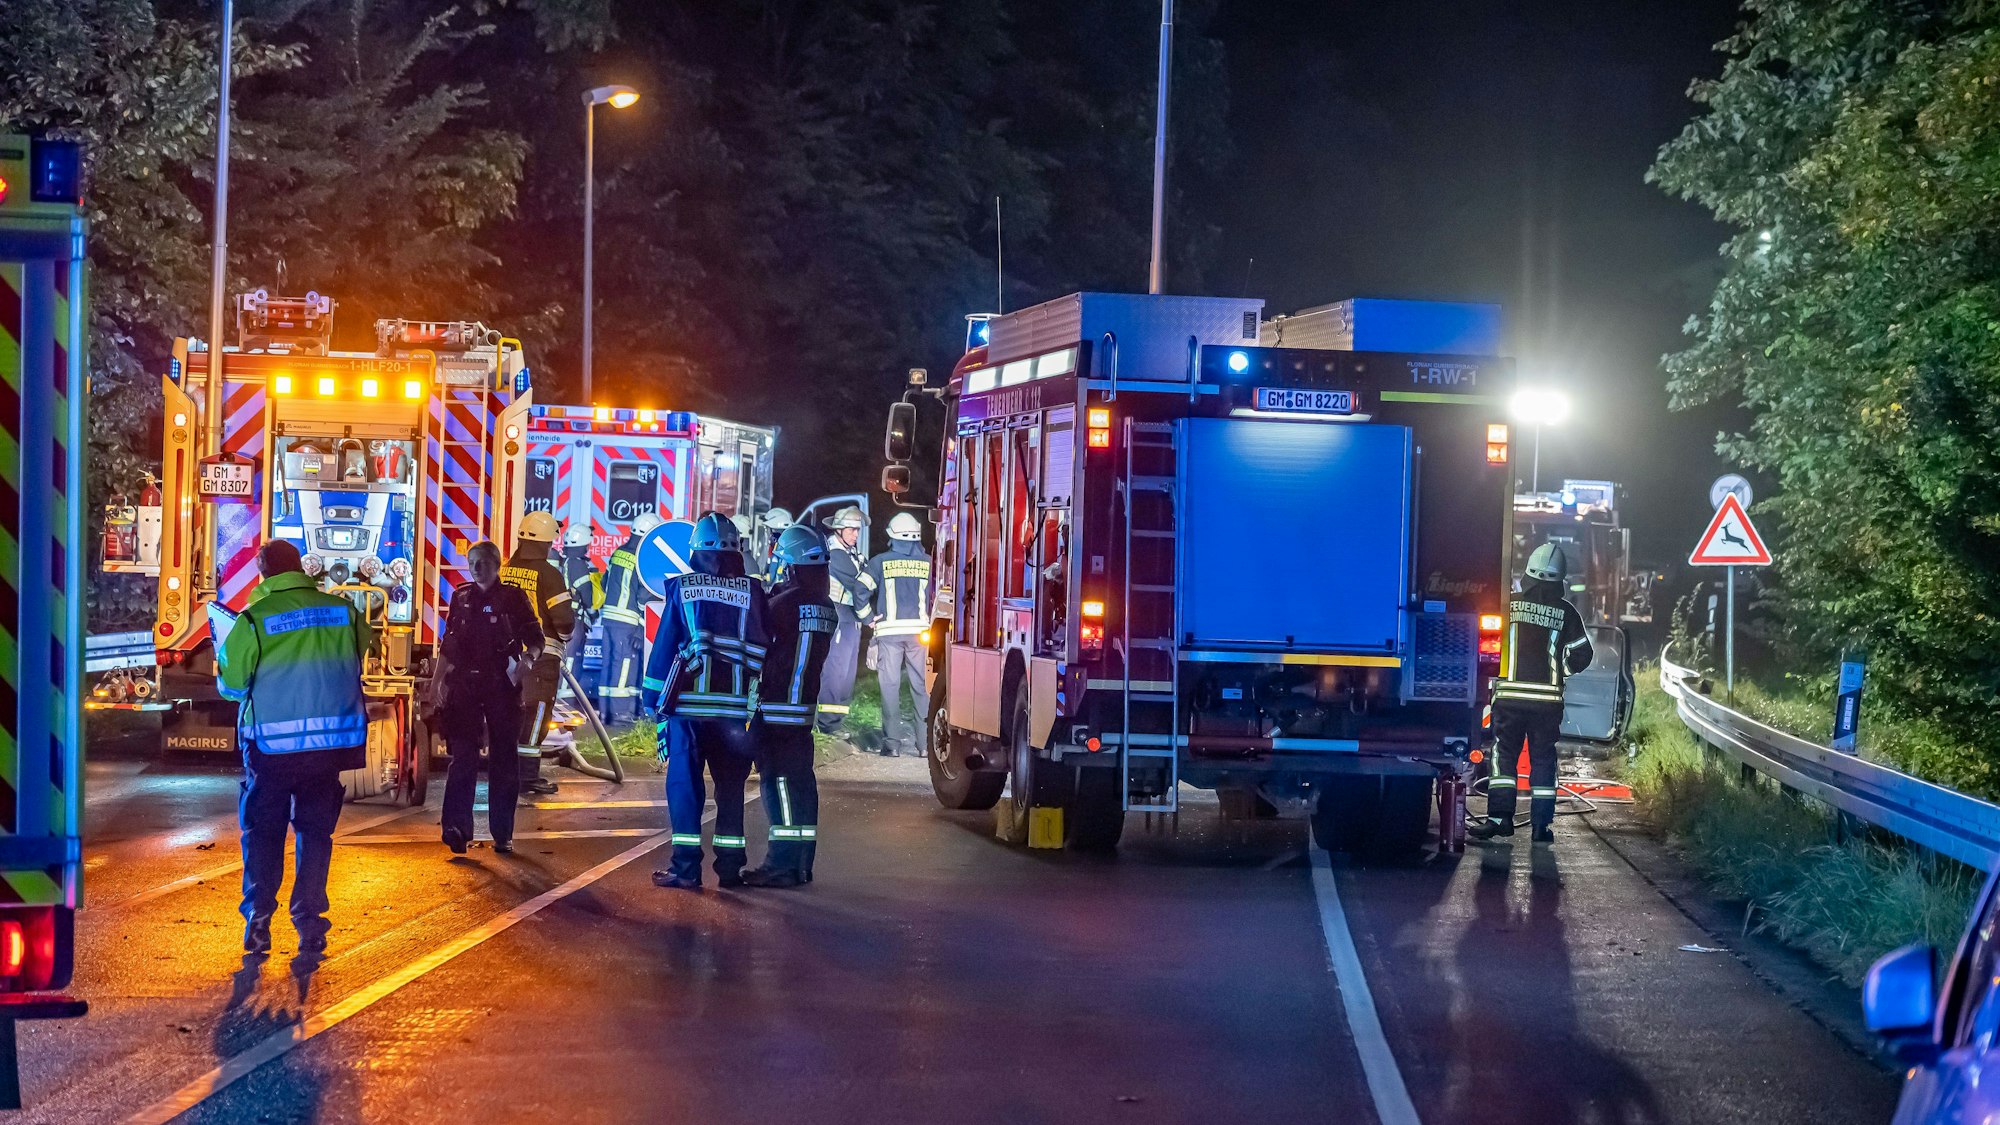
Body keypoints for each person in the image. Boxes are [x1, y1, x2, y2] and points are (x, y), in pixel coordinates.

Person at [215, 540, 373, 956]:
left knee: (264, 832)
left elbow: (232, 685)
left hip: (271, 749)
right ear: (300, 568)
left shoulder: (253, 620)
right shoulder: (343, 612)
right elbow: (360, 652)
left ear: (263, 572)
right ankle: (309, 920)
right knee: (315, 832)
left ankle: (260, 916)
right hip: (329, 748)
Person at [642, 513, 771, 890]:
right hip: (733, 712)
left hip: (688, 712)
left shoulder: (684, 588)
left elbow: (666, 644)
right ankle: (730, 869)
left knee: (685, 788)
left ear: (695, 551)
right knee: (730, 790)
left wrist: (653, 699)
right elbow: (765, 646)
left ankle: (686, 869)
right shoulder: (752, 591)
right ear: (737, 550)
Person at [1470, 542, 1594, 844]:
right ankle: (1540, 827)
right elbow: (1583, 654)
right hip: (1547, 703)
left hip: (1509, 698)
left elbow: (1487, 646)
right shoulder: (1567, 612)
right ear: (1560, 579)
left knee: (1504, 756)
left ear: (1528, 574)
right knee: (1543, 760)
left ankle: (1500, 819)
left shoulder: (1506, 604)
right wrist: (1559, 669)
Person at [436, 541, 545, 856]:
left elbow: (535, 638)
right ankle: (456, 830)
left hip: (501, 687)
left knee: (503, 761)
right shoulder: (461, 597)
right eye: (471, 562)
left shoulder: (512, 598)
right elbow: (450, 642)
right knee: (463, 760)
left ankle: (502, 833)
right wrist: (436, 682)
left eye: (482, 561)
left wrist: (526, 662)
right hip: (465, 689)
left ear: (496, 564)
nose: (476, 567)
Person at [743, 525, 837, 887]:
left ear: (792, 566)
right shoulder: (827, 608)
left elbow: (757, 641)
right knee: (801, 787)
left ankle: (780, 866)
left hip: (775, 707)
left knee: (777, 785)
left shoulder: (782, 604)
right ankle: (800, 865)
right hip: (802, 715)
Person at [502, 511, 575, 798]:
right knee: (537, 715)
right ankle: (527, 776)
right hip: (540, 658)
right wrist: (566, 638)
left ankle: (510, 772)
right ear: (546, 541)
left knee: (514, 714)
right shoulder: (549, 574)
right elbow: (564, 620)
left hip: (506, 657)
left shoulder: (505, 569)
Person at [859, 512, 932, 758]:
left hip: (888, 634)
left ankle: (892, 745)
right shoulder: (929, 563)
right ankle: (925, 746)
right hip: (921, 635)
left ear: (891, 536)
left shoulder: (879, 562)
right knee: (922, 688)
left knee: (890, 689)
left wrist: (868, 619)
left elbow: (860, 589)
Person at [598, 512, 661, 726]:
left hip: (608, 618)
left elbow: (605, 583)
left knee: (608, 665)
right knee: (624, 665)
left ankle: (605, 712)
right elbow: (644, 597)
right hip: (628, 621)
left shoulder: (618, 553)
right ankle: (620, 713)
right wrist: (640, 628)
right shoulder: (644, 559)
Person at [817, 506, 870, 736]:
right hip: (839, 613)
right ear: (838, 530)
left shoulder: (851, 552)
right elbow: (858, 582)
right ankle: (828, 724)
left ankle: (838, 721)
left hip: (850, 616)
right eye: (851, 530)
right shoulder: (836, 553)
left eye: (857, 530)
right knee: (835, 670)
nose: (856, 534)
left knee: (847, 673)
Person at [560, 524, 603, 697]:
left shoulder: (567, 561)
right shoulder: (578, 565)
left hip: (568, 618)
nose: (588, 548)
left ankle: (565, 693)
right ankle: (566, 696)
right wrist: (593, 612)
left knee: (569, 658)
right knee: (571, 660)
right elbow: (586, 592)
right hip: (575, 620)